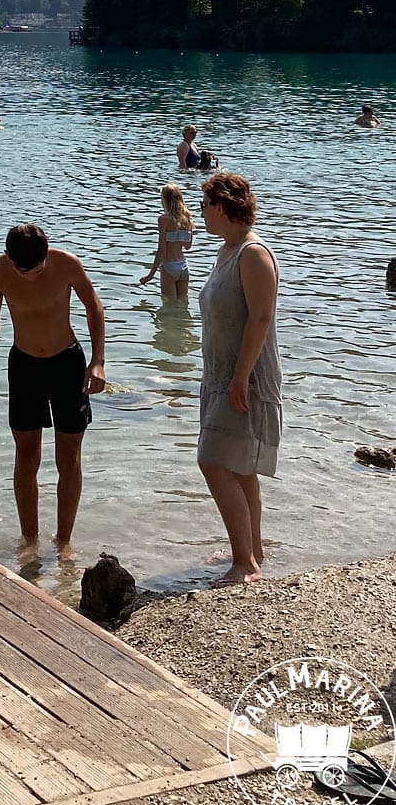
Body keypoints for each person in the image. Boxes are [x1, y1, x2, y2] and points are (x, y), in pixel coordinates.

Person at [0, 223, 106, 553]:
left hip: (67, 364)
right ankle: (29, 540)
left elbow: (93, 306)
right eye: (23, 270)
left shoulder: (66, 264)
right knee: (26, 455)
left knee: (68, 458)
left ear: (46, 255)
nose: (30, 276)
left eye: (36, 268)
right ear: (9, 258)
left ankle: (64, 542)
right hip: (24, 366)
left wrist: (98, 361)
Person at [196, 172, 282, 585]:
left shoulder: (253, 254)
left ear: (223, 206)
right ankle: (252, 550)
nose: (200, 213)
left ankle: (244, 563)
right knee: (238, 465)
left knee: (212, 460)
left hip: (244, 375)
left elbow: (261, 319)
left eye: (204, 205)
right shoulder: (226, 250)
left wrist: (241, 378)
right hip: (221, 373)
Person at [139, 183, 193, 299]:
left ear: (164, 200)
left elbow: (161, 250)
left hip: (169, 266)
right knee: (182, 304)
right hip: (183, 266)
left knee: (169, 306)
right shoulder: (187, 218)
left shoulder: (163, 219)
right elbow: (188, 246)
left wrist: (150, 275)